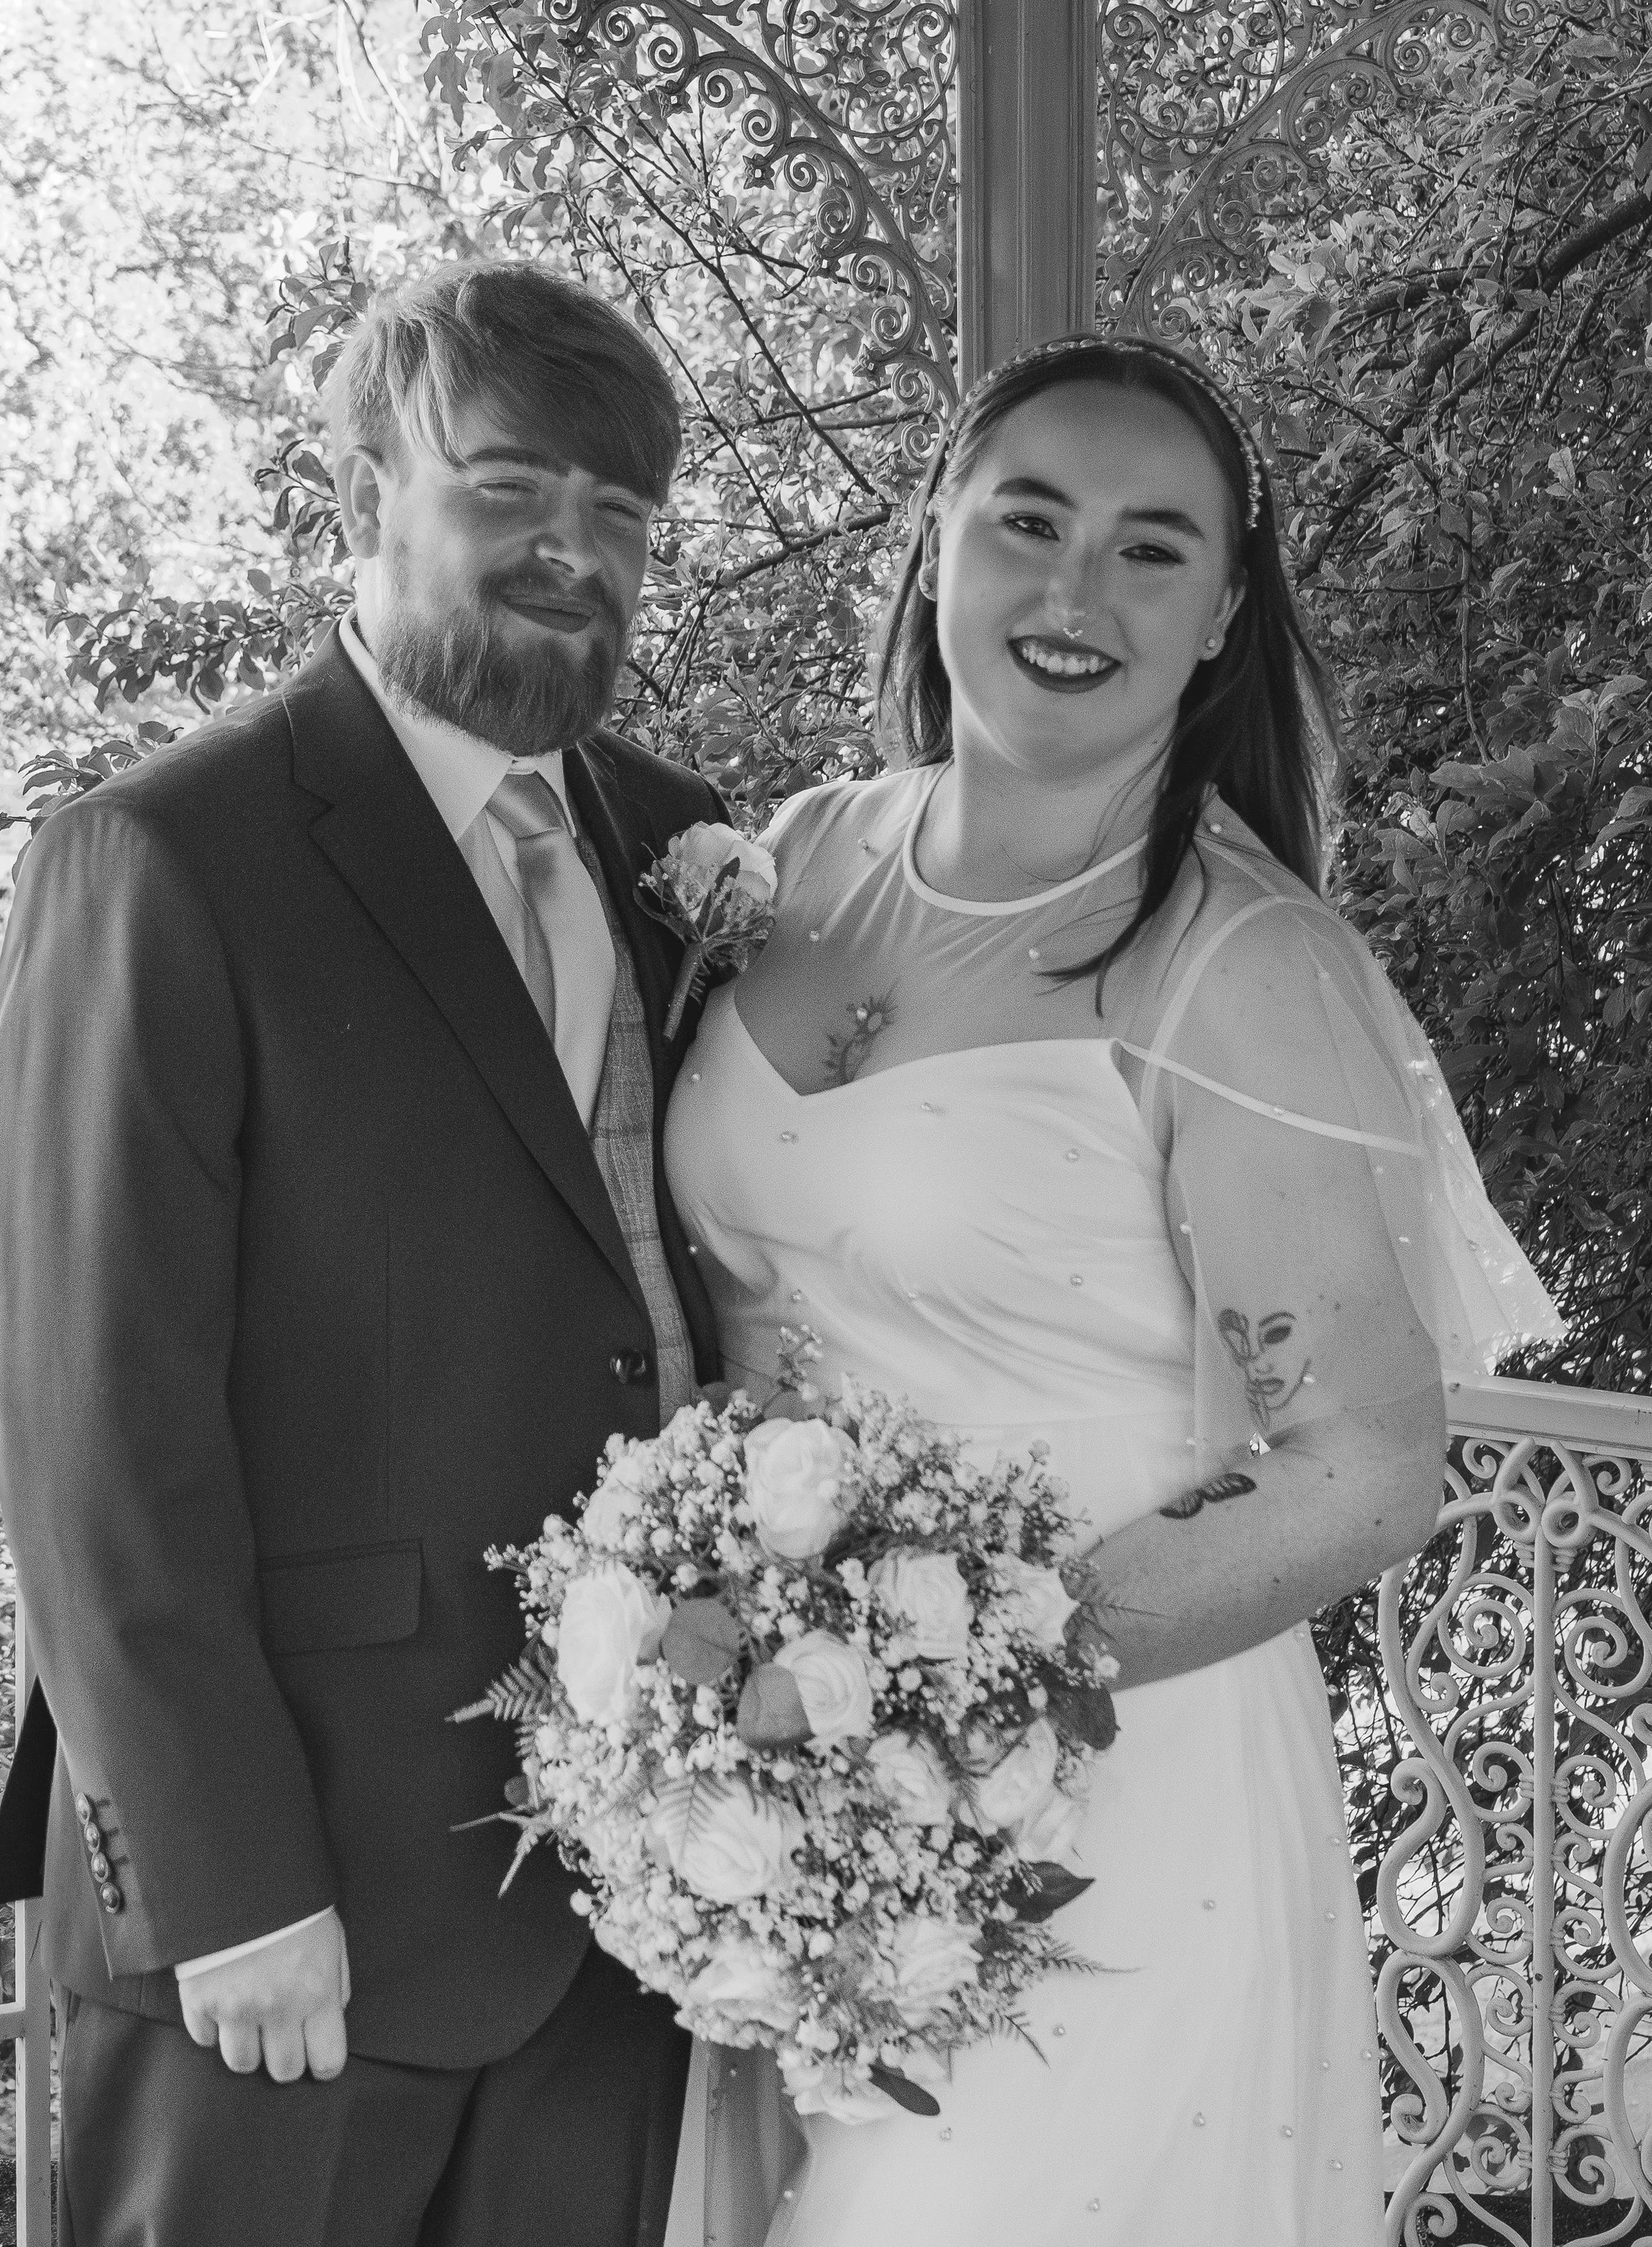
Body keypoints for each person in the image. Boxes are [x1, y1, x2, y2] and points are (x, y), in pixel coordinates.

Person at [660, 334, 1564, 2244]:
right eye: (1028, 520)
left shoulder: (1240, 969)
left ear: (1222, 608)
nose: (1074, 592)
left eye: (1152, 549)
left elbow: (1356, 1463)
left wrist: (954, 1684)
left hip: (1097, 1801)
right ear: (934, 542)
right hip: (780, 1788)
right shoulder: (810, 853)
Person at [0, 260, 728, 2247]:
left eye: (621, 514)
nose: (573, 555)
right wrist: (224, 1882)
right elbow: (88, 1423)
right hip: (292, 1906)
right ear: (357, 505)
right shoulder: (166, 857)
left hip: (624, 1900)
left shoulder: (681, 848)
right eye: (506, 492)